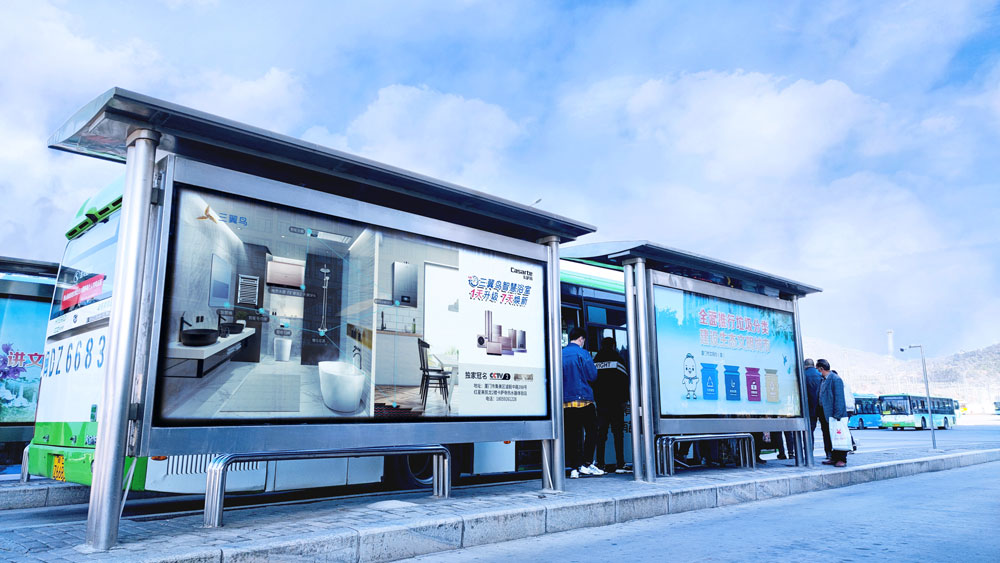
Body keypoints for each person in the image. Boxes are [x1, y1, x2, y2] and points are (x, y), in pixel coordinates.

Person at [562, 327, 605, 478]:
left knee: (571, 435)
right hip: (584, 400)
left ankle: (574, 468)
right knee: (592, 431)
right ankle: (586, 464)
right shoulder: (583, 354)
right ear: (581, 339)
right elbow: (592, 375)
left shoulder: (560, 354)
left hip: (566, 402)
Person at [593, 337, 629, 473]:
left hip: (601, 403)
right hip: (616, 403)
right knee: (618, 434)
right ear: (613, 345)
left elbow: (592, 380)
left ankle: (600, 463)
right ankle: (620, 463)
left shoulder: (596, 359)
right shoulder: (618, 359)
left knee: (601, 434)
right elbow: (624, 381)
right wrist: (624, 400)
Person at [817, 359, 848, 467]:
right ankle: (833, 457)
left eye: (818, 369)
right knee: (828, 436)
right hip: (824, 413)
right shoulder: (823, 380)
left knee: (838, 436)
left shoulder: (835, 379)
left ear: (821, 369)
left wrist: (837, 415)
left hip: (834, 414)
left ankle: (841, 458)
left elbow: (839, 399)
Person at [803, 358, 826, 459]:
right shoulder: (820, 374)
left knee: (809, 431)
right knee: (825, 431)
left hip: (808, 408)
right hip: (821, 407)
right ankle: (828, 453)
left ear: (805, 365)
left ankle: (809, 452)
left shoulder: (803, 374)